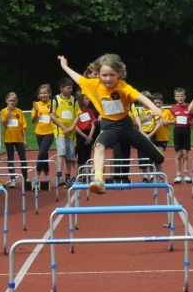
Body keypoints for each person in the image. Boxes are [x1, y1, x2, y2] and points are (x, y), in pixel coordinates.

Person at [57, 53, 165, 194]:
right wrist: (64, 66)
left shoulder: (123, 86)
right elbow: (77, 78)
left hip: (127, 126)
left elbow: (139, 96)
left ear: (119, 73)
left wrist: (154, 108)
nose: (108, 79)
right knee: (99, 145)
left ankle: (158, 160)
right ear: (98, 74)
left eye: (112, 75)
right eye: (104, 75)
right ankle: (99, 180)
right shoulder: (93, 84)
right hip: (110, 126)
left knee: (159, 158)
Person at [50, 77, 81, 188]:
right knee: (61, 151)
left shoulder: (74, 100)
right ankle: (59, 176)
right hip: (60, 131)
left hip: (71, 132)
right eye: (68, 88)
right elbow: (52, 115)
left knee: (70, 156)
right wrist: (63, 127)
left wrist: (72, 127)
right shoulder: (56, 99)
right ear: (61, 88)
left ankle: (68, 177)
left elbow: (77, 114)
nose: (70, 90)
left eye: (71, 88)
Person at [0, 92, 28, 188]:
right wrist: (8, 111)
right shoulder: (4, 111)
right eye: (10, 100)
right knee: (10, 159)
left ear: (16, 101)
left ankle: (25, 178)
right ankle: (13, 179)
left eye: (13, 100)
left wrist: (25, 140)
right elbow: (5, 123)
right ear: (6, 101)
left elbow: (23, 127)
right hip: (9, 139)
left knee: (23, 158)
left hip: (19, 139)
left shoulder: (19, 112)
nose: (11, 102)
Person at [30, 84, 54, 186]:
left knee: (41, 154)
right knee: (44, 154)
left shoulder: (53, 103)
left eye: (45, 93)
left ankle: (36, 176)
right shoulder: (37, 105)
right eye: (41, 93)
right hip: (39, 132)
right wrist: (35, 110)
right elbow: (33, 120)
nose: (43, 95)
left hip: (50, 132)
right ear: (38, 95)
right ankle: (47, 177)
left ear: (49, 94)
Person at [170, 87, 193, 184]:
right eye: (178, 96)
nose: (180, 98)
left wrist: (190, 127)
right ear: (175, 97)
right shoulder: (172, 108)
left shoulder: (189, 107)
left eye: (181, 96)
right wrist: (173, 122)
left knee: (186, 154)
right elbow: (170, 120)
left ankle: (186, 175)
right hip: (177, 130)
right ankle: (178, 175)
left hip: (186, 131)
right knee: (178, 154)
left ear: (185, 97)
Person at [153, 92, 175, 182]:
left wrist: (168, 121)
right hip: (153, 137)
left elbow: (175, 121)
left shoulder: (166, 111)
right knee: (153, 158)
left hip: (163, 138)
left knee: (158, 156)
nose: (157, 105)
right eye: (155, 103)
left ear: (162, 103)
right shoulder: (150, 112)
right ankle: (154, 176)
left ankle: (160, 176)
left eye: (159, 103)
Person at [75, 91, 96, 182]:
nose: (88, 100)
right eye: (86, 98)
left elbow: (93, 124)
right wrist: (85, 137)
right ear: (81, 99)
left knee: (88, 156)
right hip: (80, 135)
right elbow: (75, 126)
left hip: (89, 134)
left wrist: (90, 136)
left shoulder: (89, 111)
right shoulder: (77, 111)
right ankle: (78, 176)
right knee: (81, 157)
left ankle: (87, 176)